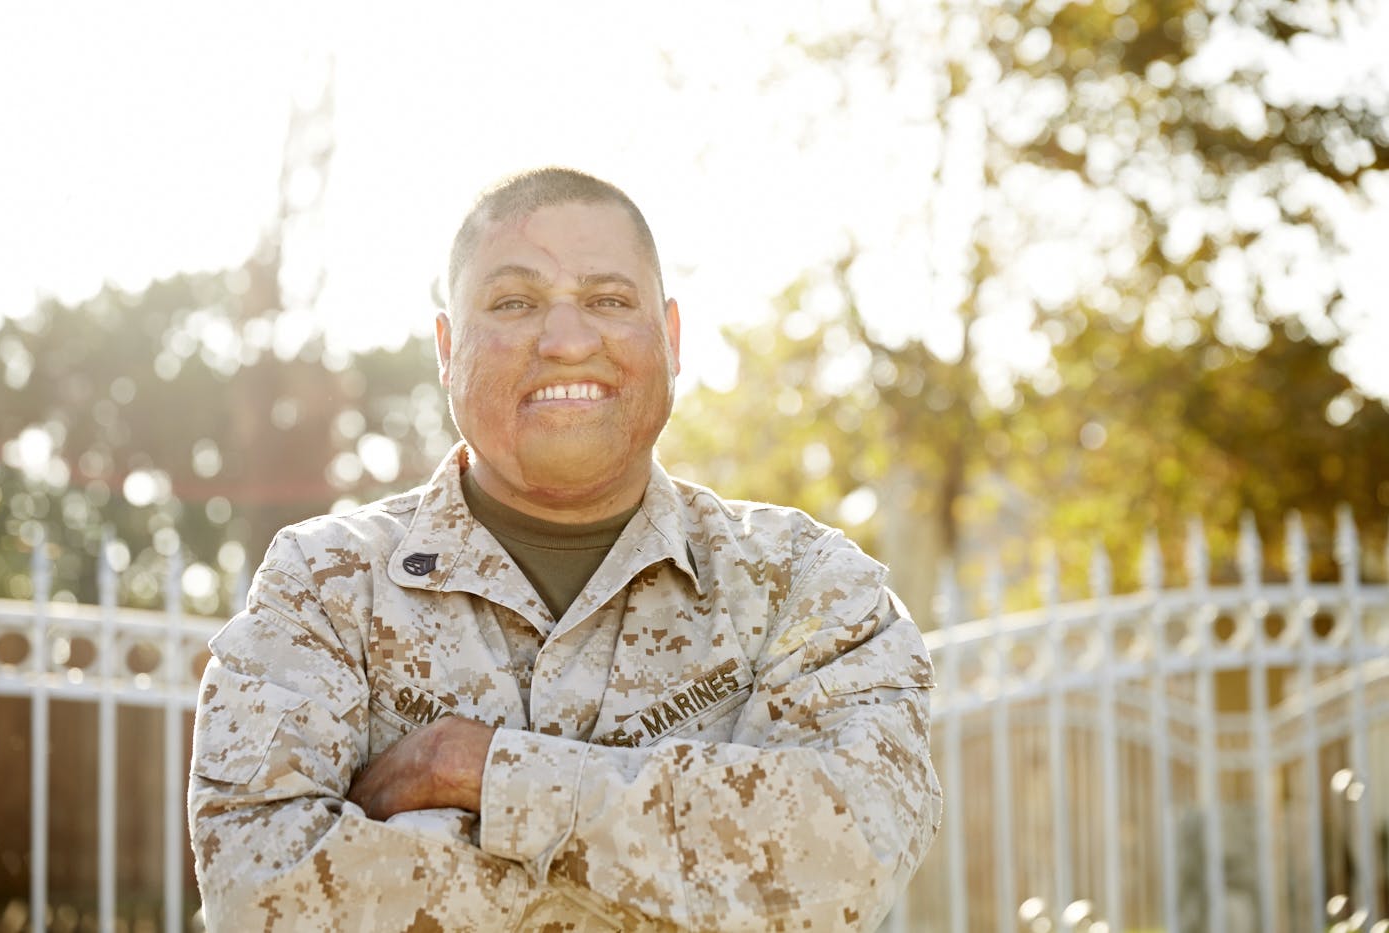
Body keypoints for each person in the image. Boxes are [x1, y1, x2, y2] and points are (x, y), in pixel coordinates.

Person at [188, 167, 942, 931]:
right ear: (448, 348)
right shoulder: (326, 585)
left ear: (672, 340)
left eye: (609, 301)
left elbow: (847, 856)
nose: (568, 340)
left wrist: (482, 771)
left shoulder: (803, 584)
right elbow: (260, 893)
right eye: (514, 303)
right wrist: (686, 872)